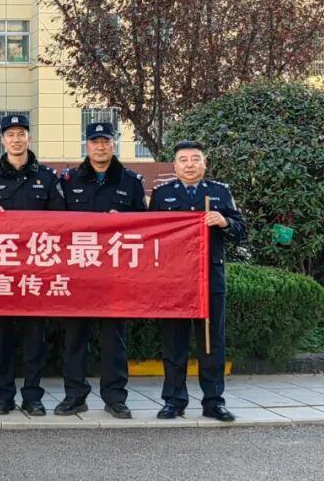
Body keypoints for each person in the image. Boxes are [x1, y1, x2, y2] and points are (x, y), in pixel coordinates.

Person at [150, 141, 246, 423]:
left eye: (195, 159)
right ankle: (174, 401)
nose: (189, 164)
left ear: (204, 164)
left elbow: (241, 230)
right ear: (175, 165)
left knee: (211, 342)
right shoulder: (162, 194)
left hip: (209, 279)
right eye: (183, 159)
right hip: (173, 280)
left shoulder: (219, 192)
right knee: (174, 343)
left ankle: (214, 402)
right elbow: (149, 234)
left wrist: (224, 222)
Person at [0, 114, 66, 416]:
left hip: (36, 272)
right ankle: (3, 396)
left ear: (29, 137)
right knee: (2, 338)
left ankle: (32, 396)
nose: (16, 140)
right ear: (2, 140)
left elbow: (60, 222)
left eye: (21, 134)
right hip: (2, 271)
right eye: (10, 134)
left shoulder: (48, 177)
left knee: (34, 339)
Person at [56, 121, 146, 419]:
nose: (100, 147)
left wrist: (124, 221)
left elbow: (145, 228)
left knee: (114, 340)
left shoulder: (130, 182)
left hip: (114, 275)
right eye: (95, 142)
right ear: (87, 145)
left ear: (114, 144)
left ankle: (115, 397)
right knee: (74, 339)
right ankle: (74, 396)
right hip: (78, 272)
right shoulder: (68, 180)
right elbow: (54, 224)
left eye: (105, 141)